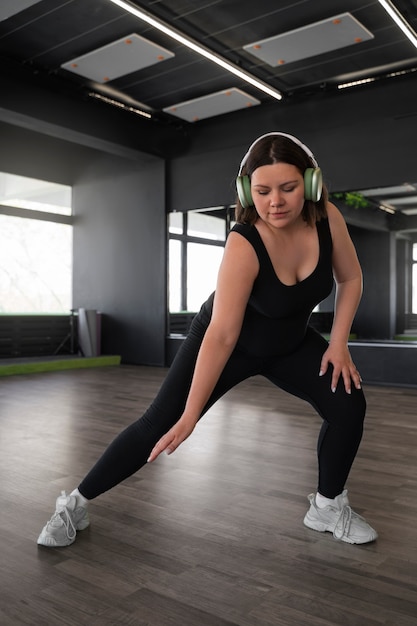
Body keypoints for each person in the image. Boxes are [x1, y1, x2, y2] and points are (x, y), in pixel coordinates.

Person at [38, 131, 378, 548]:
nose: (276, 201)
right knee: (157, 425)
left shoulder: (327, 217)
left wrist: (338, 342)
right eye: (263, 191)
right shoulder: (244, 241)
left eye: (289, 188)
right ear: (245, 191)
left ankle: (327, 507)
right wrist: (191, 414)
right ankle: (74, 504)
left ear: (308, 183)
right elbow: (222, 334)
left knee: (347, 402)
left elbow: (351, 277)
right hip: (226, 341)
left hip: (288, 342)